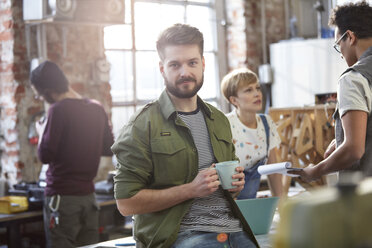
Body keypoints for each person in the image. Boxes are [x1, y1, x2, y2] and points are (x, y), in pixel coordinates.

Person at [111, 24, 259, 248]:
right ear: (162, 69)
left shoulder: (219, 120)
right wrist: (190, 190)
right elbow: (125, 202)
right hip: (182, 236)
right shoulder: (142, 125)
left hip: (234, 230)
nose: (185, 72)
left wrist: (235, 185)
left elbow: (229, 187)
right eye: (174, 65)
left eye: (192, 63)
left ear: (203, 64)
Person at [30, 61, 115, 248]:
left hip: (62, 200)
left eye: (38, 93)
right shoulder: (96, 107)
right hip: (89, 199)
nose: (38, 97)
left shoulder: (57, 110)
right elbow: (108, 147)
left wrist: (42, 131)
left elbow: (45, 155)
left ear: (47, 90)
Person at [291, 1, 372, 181]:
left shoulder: (353, 78)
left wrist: (316, 171)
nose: (341, 53)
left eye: (338, 45)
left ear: (350, 37)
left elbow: (353, 149)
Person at [221, 68, 283, 199]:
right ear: (234, 100)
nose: (257, 94)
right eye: (249, 90)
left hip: (251, 204)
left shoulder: (266, 123)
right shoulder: (225, 125)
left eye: (258, 88)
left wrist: (283, 209)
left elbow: (274, 172)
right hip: (229, 204)